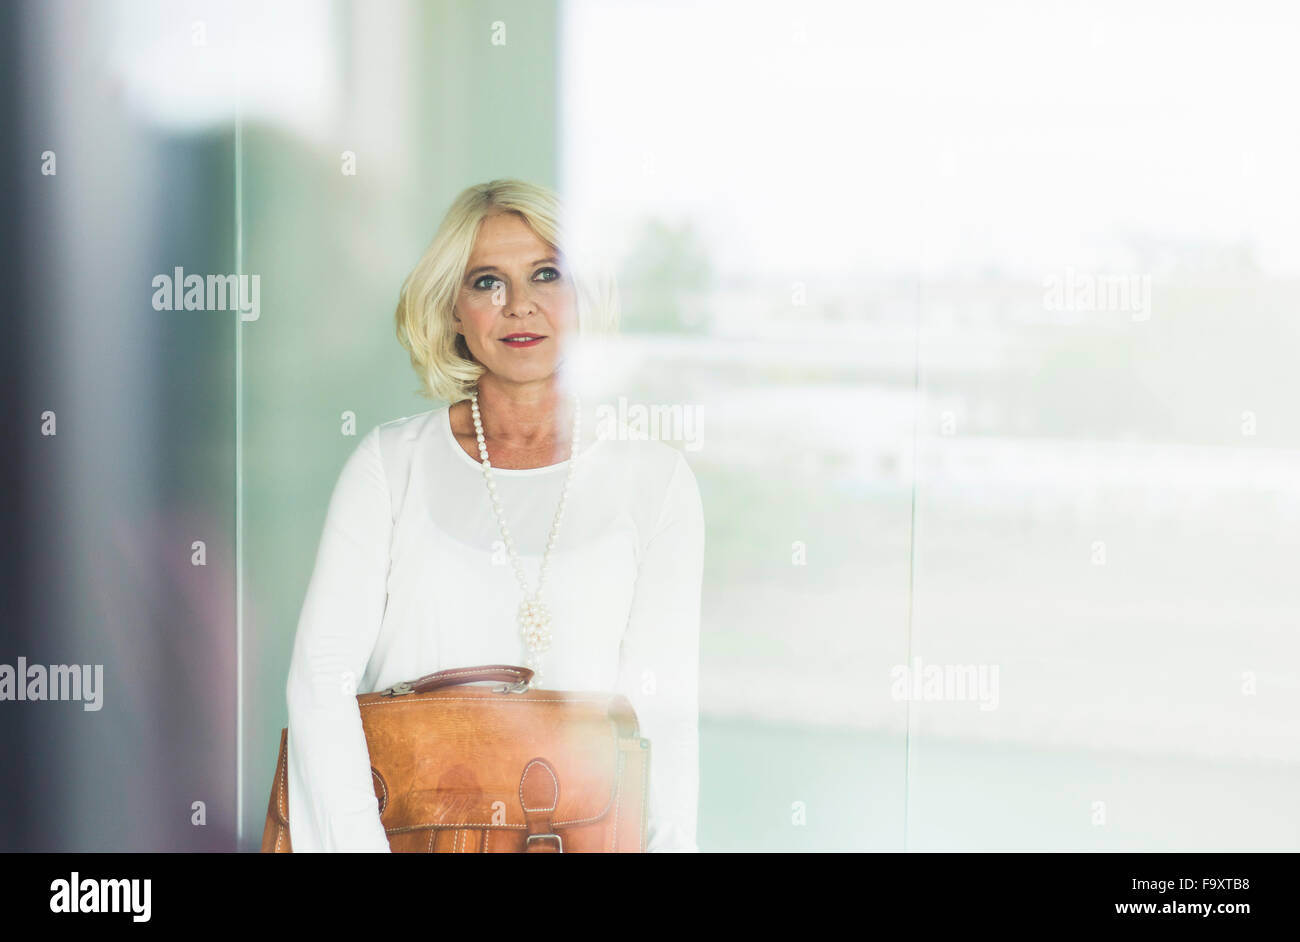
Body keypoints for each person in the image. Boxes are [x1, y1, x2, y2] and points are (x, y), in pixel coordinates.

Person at [284, 179, 705, 852]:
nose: (520, 306)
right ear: (451, 309)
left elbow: (667, 721)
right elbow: (319, 683)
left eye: (546, 274)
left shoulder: (656, 483)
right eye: (486, 282)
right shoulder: (389, 466)